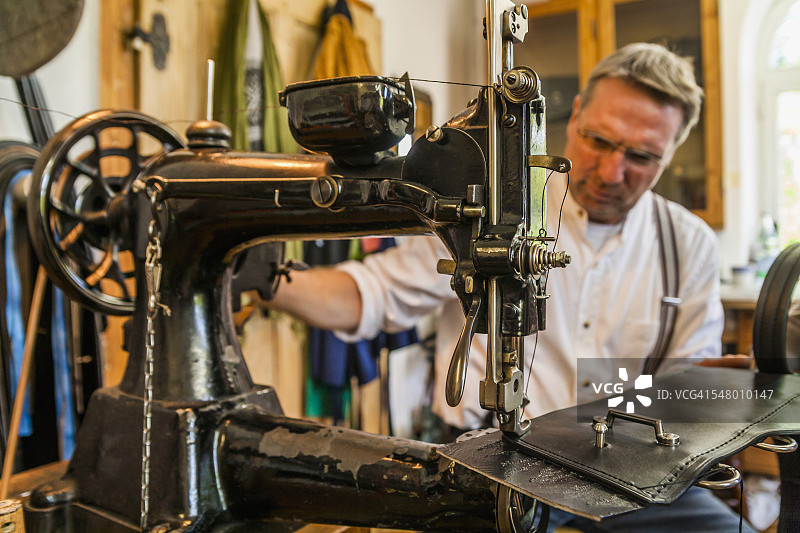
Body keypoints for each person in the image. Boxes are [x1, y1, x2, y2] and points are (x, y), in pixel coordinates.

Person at [270, 43, 754, 532]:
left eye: (642, 156)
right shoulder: (494, 210)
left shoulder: (687, 244)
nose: (612, 172)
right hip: (493, 462)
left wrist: (705, 392)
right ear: (575, 113)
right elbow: (367, 295)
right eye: (599, 141)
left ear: (672, 154)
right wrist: (267, 281)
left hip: (632, 480)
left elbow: (682, 389)